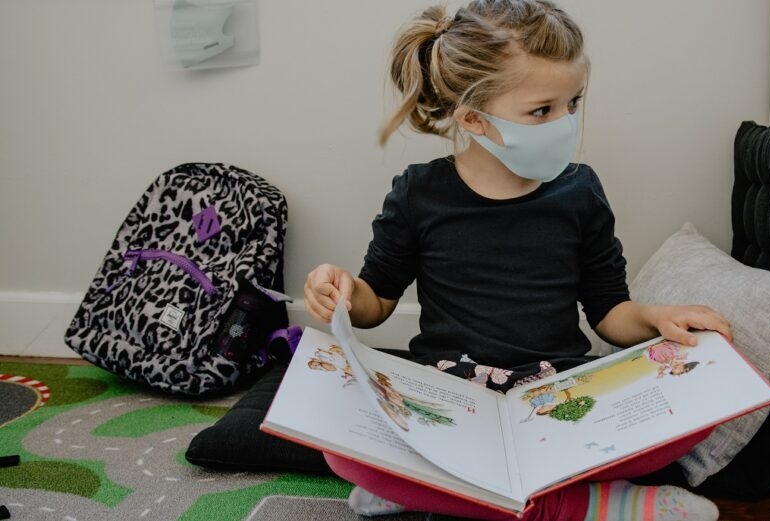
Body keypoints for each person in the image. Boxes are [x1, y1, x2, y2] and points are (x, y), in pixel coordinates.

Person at [304, 1, 731, 519]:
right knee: (336, 446)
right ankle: (591, 506)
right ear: (472, 119)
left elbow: (609, 312)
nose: (565, 122)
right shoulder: (419, 193)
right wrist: (344, 291)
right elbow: (376, 303)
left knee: (702, 408)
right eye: (542, 111)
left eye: (573, 103)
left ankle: (426, 487)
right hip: (451, 398)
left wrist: (658, 319)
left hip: (556, 395)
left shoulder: (580, 192)